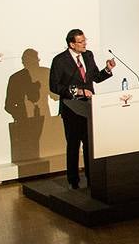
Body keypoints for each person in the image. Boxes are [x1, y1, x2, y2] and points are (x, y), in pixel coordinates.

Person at [49, 28, 114, 188]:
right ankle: (73, 181)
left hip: (89, 107)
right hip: (71, 107)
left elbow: (95, 78)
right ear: (71, 44)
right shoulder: (59, 60)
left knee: (89, 143)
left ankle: (92, 179)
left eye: (85, 40)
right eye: (81, 41)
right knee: (73, 144)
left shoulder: (88, 55)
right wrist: (77, 91)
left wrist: (107, 70)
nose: (85, 44)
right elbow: (54, 86)